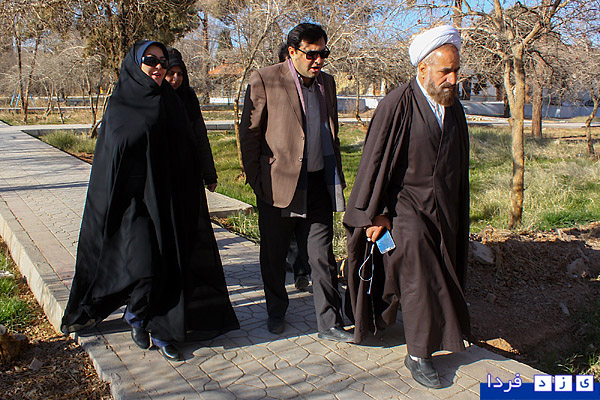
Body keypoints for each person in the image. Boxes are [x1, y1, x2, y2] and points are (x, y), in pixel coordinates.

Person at [61, 40, 239, 362]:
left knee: (168, 266)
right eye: (150, 60)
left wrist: (196, 183)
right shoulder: (120, 104)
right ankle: (136, 315)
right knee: (143, 267)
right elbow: (110, 158)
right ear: (135, 63)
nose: (158, 67)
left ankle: (162, 330)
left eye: (162, 61)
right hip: (131, 204)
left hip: (168, 200)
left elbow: (188, 147)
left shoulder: (171, 102)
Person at [343, 25, 471, 389]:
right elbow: (374, 163)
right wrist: (374, 214)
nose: (452, 79)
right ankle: (418, 354)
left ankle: (440, 333)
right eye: (445, 71)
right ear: (422, 69)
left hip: (443, 210)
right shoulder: (396, 104)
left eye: (456, 71)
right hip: (403, 208)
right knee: (418, 270)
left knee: (441, 270)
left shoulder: (454, 109)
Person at [239, 23, 351, 342]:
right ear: (293, 52)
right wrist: (257, 180)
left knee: (321, 255)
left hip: (318, 183)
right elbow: (249, 133)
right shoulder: (266, 78)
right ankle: (276, 310)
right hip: (278, 185)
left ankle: (329, 323)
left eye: (323, 53)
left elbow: (332, 132)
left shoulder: (327, 83)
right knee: (274, 255)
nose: (318, 60)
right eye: (311, 54)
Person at [165, 48, 218, 192]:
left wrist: (210, 175)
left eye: (180, 74)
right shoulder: (155, 98)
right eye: (171, 73)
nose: (175, 78)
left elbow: (200, 137)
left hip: (188, 170)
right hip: (163, 173)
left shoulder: (188, 98)